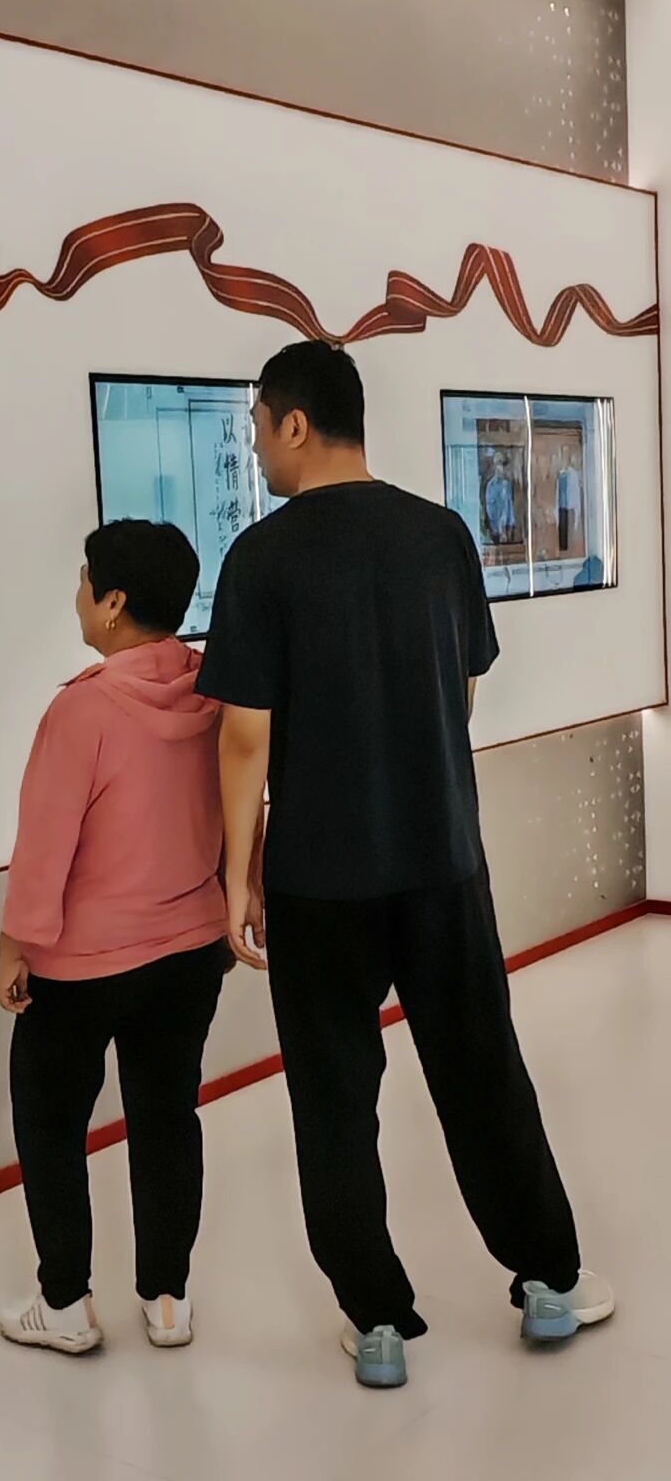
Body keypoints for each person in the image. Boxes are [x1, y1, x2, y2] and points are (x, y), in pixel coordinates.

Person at [197, 340, 613, 1390]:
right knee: (480, 1069)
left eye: (259, 426)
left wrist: (235, 872)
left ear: (295, 423)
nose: (258, 447)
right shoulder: (440, 535)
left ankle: (377, 1321)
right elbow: (460, 691)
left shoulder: (260, 558)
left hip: (316, 877)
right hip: (440, 857)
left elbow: (243, 736)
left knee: (334, 1096)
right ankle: (547, 1279)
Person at [0, 521, 229, 1356]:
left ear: (114, 602)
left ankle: (65, 1302)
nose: (78, 595)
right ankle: (167, 1300)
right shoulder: (212, 692)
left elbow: (44, 847)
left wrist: (14, 946)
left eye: (83, 580)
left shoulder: (82, 709)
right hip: (191, 949)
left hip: (84, 964)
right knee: (167, 1117)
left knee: (50, 1121)